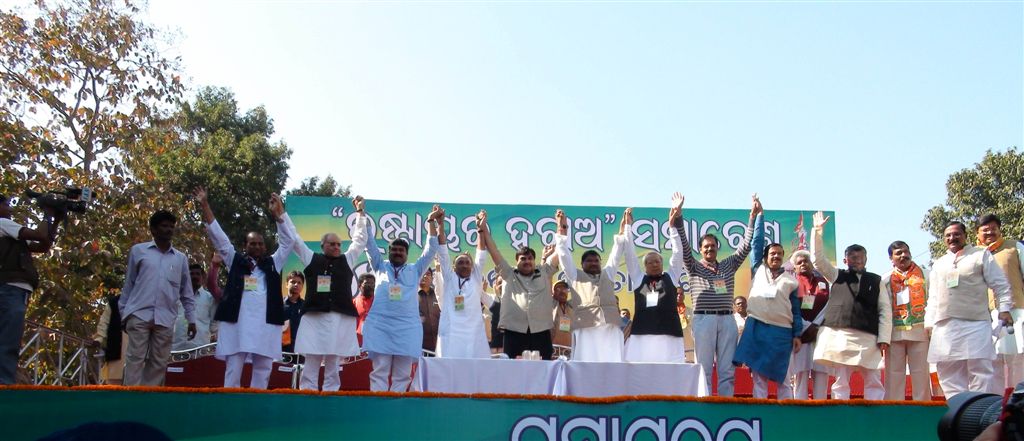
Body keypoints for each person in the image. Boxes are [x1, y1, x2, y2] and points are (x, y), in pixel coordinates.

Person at [196, 187, 293, 389]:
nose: (257, 247)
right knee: (234, 367)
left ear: (265, 247)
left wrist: (279, 215)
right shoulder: (235, 261)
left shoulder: (274, 263)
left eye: (260, 244)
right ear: (245, 246)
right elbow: (219, 238)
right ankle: (231, 403)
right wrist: (205, 205)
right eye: (252, 244)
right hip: (238, 323)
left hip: (266, 324)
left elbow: (288, 242)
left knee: (263, 369)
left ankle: (256, 407)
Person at [279, 197, 369, 391]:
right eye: (332, 244)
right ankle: (307, 397)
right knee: (311, 363)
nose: (337, 247)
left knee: (333, 366)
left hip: (339, 321)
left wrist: (360, 214)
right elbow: (294, 238)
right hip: (315, 320)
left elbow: (360, 239)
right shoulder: (311, 258)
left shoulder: (347, 259)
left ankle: (330, 398)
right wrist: (281, 215)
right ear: (323, 246)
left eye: (338, 244)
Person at [675, 193, 759, 396]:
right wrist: (678, 219)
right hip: (704, 319)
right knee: (703, 368)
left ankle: (725, 404)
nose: (709, 249)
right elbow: (685, 248)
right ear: (701, 250)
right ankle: (704, 404)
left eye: (712, 246)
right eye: (706, 247)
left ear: (717, 248)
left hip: (727, 319)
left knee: (727, 369)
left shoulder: (728, 265)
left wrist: (753, 217)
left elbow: (745, 247)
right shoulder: (693, 266)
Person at [810, 211, 892, 400]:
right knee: (841, 381)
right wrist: (817, 231)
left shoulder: (876, 280)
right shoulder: (837, 275)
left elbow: (884, 310)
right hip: (841, 336)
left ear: (866, 259)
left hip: (868, 337)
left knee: (873, 379)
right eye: (853, 257)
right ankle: (841, 412)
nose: (857, 260)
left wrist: (884, 337)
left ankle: (875, 412)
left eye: (861, 257)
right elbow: (818, 260)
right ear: (846, 260)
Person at [926, 220, 1012, 398]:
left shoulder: (981, 255)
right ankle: (958, 409)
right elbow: (933, 296)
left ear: (965, 236)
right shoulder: (939, 263)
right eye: (948, 235)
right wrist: (929, 324)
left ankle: (979, 409)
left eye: (956, 234)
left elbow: (1001, 285)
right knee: (947, 370)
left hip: (976, 323)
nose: (952, 238)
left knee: (981, 369)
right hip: (945, 325)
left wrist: (1004, 308)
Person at [362, 204, 442, 392]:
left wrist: (431, 221)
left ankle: (396, 406)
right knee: (379, 370)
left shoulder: (415, 270)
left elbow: (431, 250)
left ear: (407, 254)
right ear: (389, 252)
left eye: (401, 250)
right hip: (381, 325)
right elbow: (369, 243)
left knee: (403, 373)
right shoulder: (380, 266)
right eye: (394, 250)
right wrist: (362, 215)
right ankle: (379, 404)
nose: (397, 252)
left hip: (407, 327)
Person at [118, 210, 196, 386]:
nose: (168, 230)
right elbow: (129, 284)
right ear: (153, 230)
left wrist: (191, 319)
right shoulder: (138, 251)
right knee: (135, 358)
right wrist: (124, 313)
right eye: (164, 226)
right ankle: (130, 398)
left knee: (159, 361)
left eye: (171, 227)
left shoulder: (180, 259)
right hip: (139, 313)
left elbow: (186, 292)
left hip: (166, 317)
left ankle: (148, 400)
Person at [733, 199, 801, 399]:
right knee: (759, 378)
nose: (776, 257)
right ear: (765, 257)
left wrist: (797, 335)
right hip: (757, 328)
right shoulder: (758, 269)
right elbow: (757, 242)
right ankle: (761, 413)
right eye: (772, 253)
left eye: (780, 254)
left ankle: (786, 416)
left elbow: (796, 311)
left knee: (784, 378)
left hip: (782, 333)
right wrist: (759, 216)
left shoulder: (792, 281)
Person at [478, 209, 560, 360]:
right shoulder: (509, 274)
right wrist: (483, 229)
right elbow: (494, 251)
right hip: (514, 331)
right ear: (517, 261)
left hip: (541, 330)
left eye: (530, 258)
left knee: (546, 370)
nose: (527, 261)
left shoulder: (544, 272)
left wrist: (561, 227)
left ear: (534, 261)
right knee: (512, 371)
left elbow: (560, 251)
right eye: (523, 258)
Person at [552, 208, 629, 361]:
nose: (593, 263)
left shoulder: (608, 273)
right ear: (582, 264)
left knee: (612, 365)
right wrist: (561, 230)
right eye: (589, 261)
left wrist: (622, 232)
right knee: (585, 364)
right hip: (586, 328)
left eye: (596, 260)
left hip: (610, 328)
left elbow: (616, 254)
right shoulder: (574, 275)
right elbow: (563, 254)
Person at [0, 193, 61, 384]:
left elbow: (43, 246)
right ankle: (4, 382)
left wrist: (55, 219)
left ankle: (5, 380)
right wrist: (47, 213)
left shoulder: (9, 231)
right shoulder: (2, 223)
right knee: (8, 338)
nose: (10, 209)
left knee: (9, 336)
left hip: (14, 289)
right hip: (8, 288)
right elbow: (40, 235)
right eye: (6, 205)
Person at [621, 197, 688, 363]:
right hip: (642, 336)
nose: (654, 265)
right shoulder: (639, 279)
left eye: (657, 261)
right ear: (645, 266)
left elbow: (678, 253)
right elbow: (629, 255)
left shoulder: (671, 277)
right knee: (640, 374)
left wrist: (672, 227)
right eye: (650, 262)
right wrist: (628, 227)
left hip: (669, 336)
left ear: (662, 263)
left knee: (670, 375)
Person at [976, 214, 1024, 393]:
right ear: (977, 233)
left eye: (993, 228)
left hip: (1015, 311)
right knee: (992, 359)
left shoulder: (1014, 247)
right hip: (985, 314)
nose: (989, 232)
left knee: (1018, 356)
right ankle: (995, 404)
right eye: (985, 230)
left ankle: (1019, 401)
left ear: (999, 229)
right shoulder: (974, 254)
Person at [435, 216, 493, 359]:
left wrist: (480, 229)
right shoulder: (449, 277)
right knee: (449, 372)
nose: (465, 265)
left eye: (467, 262)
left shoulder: (476, 277)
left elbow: (481, 254)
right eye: (460, 262)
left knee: (474, 373)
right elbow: (443, 251)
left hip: (474, 335)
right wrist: (441, 224)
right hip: (451, 333)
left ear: (472, 266)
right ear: (454, 266)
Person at [881, 241, 931, 401]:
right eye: (898, 253)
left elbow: (933, 301)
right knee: (893, 375)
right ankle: (894, 413)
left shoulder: (926, 275)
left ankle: (922, 413)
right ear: (891, 258)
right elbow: (882, 309)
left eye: (905, 252)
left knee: (921, 374)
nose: (903, 255)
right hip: (894, 334)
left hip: (920, 331)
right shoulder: (885, 280)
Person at [788, 249, 832, 400]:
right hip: (802, 335)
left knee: (821, 371)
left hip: (820, 333)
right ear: (794, 267)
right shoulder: (791, 284)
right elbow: (791, 309)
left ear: (811, 263)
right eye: (799, 263)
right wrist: (806, 327)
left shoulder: (823, 282)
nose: (803, 264)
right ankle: (800, 407)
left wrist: (816, 326)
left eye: (805, 261)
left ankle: (820, 407)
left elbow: (829, 305)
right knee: (801, 374)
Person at [172, 263, 219, 351]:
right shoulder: (176, 296)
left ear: (203, 277)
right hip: (176, 347)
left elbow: (214, 323)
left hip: (200, 347)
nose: (195, 277)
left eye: (198, 274)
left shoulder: (210, 298)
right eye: (192, 274)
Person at [91, 280, 127, 385]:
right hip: (117, 350)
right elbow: (104, 324)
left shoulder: (146, 301)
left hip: (139, 350)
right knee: (114, 385)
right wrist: (98, 339)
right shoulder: (114, 303)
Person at [418, 269, 441, 354]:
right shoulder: (412, 295)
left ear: (432, 278)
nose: (425, 276)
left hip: (438, 346)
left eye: (428, 274)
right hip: (420, 347)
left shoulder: (438, 295)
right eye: (422, 274)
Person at [281, 272, 304, 353]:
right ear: (286, 284)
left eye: (299, 283)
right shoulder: (278, 304)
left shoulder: (305, 307)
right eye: (293, 282)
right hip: (280, 350)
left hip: (299, 351)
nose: (296, 285)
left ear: (302, 286)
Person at [354, 273, 376, 344]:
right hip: (358, 344)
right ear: (359, 286)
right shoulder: (353, 303)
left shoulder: (379, 303)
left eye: (372, 283)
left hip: (375, 343)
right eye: (366, 283)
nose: (370, 286)